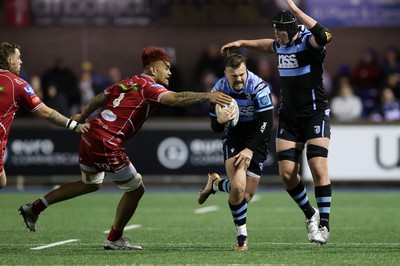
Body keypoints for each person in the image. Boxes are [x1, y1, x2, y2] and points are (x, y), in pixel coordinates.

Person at [19, 45, 232, 250]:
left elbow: (98, 99)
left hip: (90, 133)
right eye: (166, 67)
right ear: (152, 69)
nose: (169, 71)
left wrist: (83, 117)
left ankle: (35, 207)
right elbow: (175, 99)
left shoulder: (128, 81)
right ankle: (114, 238)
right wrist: (208, 95)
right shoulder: (150, 86)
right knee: (136, 189)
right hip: (107, 141)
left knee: (90, 184)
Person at [220, 0, 332, 245]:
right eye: (275, 33)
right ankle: (309, 213)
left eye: (280, 33)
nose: (277, 38)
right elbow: (267, 45)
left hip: (314, 113)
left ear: (291, 31)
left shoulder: (308, 44)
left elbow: (325, 34)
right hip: (289, 117)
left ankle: (324, 225)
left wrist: (296, 11)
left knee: (317, 168)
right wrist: (242, 43)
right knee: (287, 174)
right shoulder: (281, 45)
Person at [197, 53, 274, 251]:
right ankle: (242, 239)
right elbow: (215, 126)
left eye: (241, 74)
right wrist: (220, 121)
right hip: (234, 136)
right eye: (234, 76)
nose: (239, 79)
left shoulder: (258, 87)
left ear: (246, 70)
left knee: (245, 196)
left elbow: (267, 121)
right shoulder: (219, 89)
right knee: (238, 188)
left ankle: (215, 183)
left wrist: (250, 150)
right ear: (225, 73)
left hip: (257, 136)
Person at [0, 42, 90, 189]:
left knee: (1, 181)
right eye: (19, 57)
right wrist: (73, 125)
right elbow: (45, 112)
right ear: (10, 61)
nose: (21, 61)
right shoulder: (18, 84)